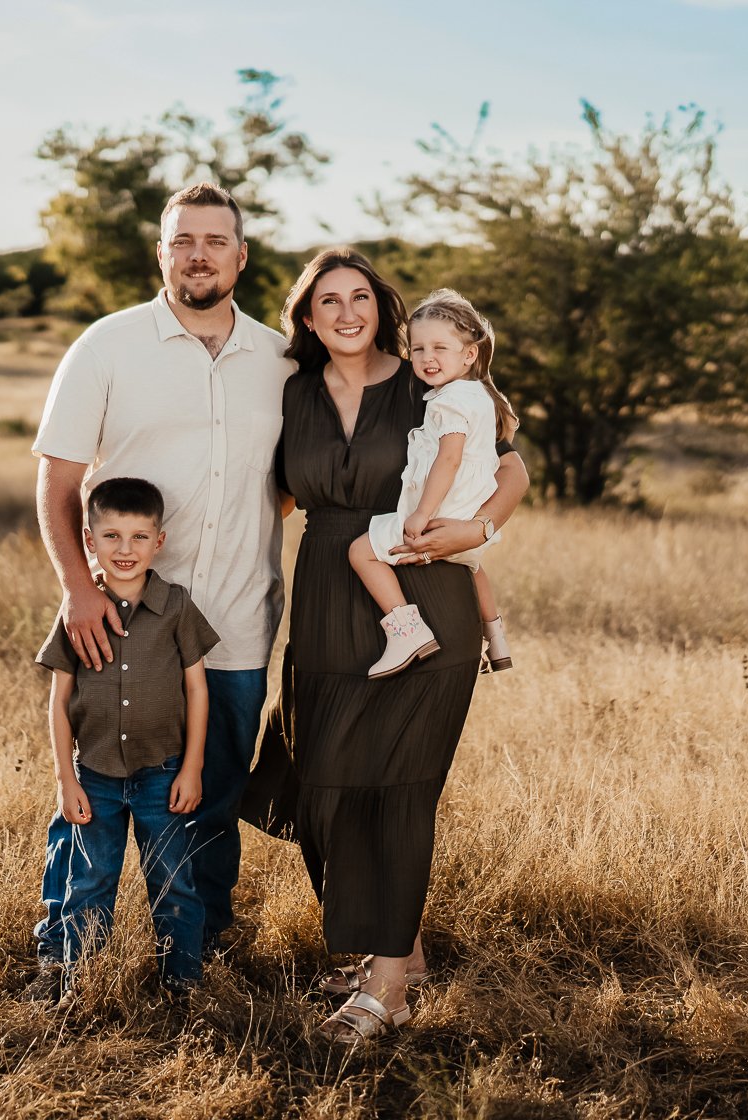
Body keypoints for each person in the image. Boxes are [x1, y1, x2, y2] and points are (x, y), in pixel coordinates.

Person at [25, 182, 294, 999]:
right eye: (184, 240)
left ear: (242, 256)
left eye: (216, 241)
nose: (200, 255)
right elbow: (59, 477)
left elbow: (286, 483)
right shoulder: (107, 346)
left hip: (239, 620)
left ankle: (199, 952)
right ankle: (64, 953)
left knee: (208, 795)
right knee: (99, 786)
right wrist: (80, 588)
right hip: (124, 621)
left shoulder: (281, 358)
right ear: (162, 253)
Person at [259, 248, 528, 1039]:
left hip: (423, 587)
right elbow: (264, 492)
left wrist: (479, 528)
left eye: (360, 298)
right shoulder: (292, 394)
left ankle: (386, 988)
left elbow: (510, 466)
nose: (346, 313)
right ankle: (392, 944)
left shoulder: (428, 378)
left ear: (383, 308)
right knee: (324, 778)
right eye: (327, 301)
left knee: (401, 785)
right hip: (324, 590)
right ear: (307, 317)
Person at [35, 477, 218, 995]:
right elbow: (59, 699)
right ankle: (75, 983)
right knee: (89, 882)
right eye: (111, 536)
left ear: (159, 542)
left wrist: (192, 767)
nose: (125, 549)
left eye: (139, 537)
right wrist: (64, 780)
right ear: (89, 540)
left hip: (163, 771)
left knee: (174, 882)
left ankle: (183, 985)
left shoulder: (176, 607)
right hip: (94, 775)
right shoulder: (78, 610)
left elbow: (198, 691)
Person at [348, 289, 519, 678]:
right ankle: (495, 636)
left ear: (469, 354)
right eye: (419, 348)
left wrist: (422, 512)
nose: (428, 358)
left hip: (442, 514)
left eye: (440, 347)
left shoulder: (448, 401)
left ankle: (406, 630)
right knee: (472, 564)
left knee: (361, 552)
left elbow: (449, 458)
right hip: (467, 515)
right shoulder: (478, 395)